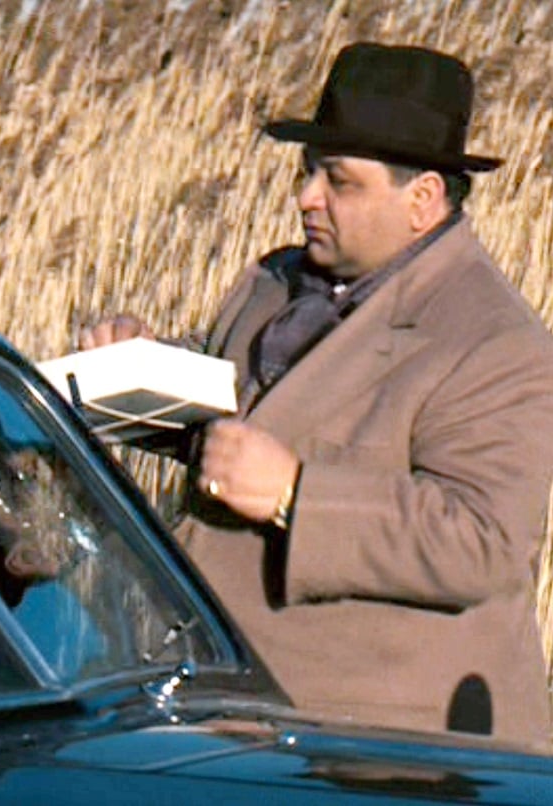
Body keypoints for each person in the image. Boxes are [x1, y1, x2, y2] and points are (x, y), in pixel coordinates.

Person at [80, 42, 553, 745]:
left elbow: (482, 541)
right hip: (225, 716)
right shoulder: (277, 284)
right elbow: (231, 419)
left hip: (380, 753)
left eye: (339, 180)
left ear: (422, 198)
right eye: (308, 173)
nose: (307, 197)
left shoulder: (492, 341)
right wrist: (136, 372)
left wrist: (297, 494)